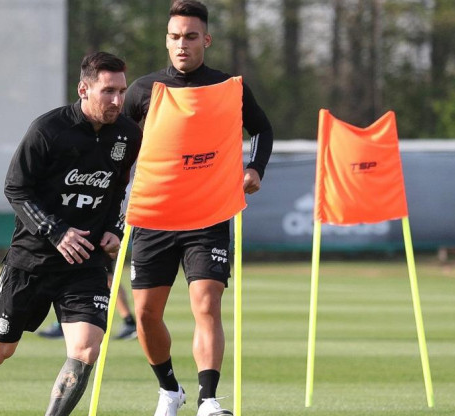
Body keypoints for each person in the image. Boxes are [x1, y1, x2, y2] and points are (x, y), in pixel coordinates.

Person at [0, 51, 141, 416]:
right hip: (32, 260)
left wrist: (114, 227)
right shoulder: (49, 130)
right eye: (108, 91)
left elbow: (121, 189)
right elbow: (15, 189)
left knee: (86, 349)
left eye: (122, 91)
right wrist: (57, 231)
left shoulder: (127, 135)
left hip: (85, 262)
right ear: (83, 89)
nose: (117, 100)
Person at [122, 2, 273, 416]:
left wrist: (254, 168)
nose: (182, 44)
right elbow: (118, 146)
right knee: (146, 315)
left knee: (206, 304)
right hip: (153, 216)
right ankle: (170, 389)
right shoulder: (142, 90)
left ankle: (208, 400)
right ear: (166, 40)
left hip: (209, 215)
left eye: (191, 36)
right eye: (175, 37)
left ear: (205, 40)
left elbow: (261, 127)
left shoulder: (229, 87)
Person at [39, 257, 137, 340]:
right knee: (72, 273)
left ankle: (129, 322)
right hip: (83, 238)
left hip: (96, 239)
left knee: (106, 276)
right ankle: (64, 321)